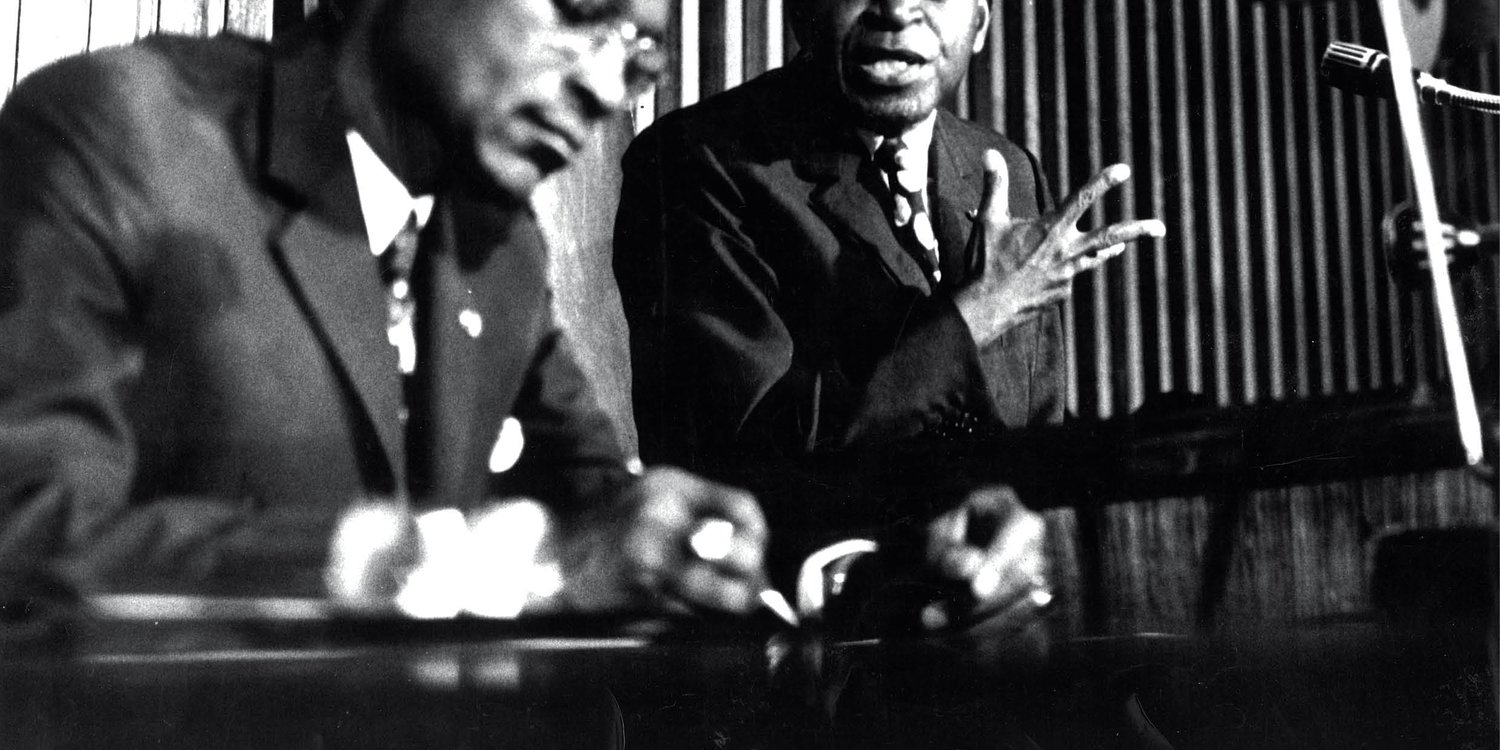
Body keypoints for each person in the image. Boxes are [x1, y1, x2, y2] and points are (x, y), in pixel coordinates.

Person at [0, 0, 767, 618]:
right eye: (579, 11)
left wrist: (679, 542)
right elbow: (23, 530)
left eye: (640, 55)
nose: (604, 87)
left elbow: (597, 501)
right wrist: (439, 564)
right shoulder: (122, 132)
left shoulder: (500, 247)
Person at [614, 0, 1166, 628]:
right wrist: (977, 312)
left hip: (1002, 626)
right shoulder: (695, 162)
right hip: (816, 646)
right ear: (799, 12)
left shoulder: (1004, 167)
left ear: (980, 26)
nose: (899, 9)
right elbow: (746, 457)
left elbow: (1026, 432)